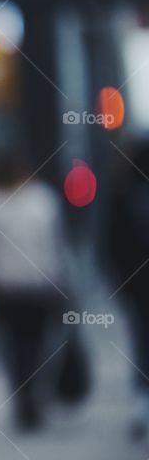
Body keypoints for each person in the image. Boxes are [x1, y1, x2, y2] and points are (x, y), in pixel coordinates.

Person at [0, 150, 70, 431]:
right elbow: (54, 248)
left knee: (13, 347)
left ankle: (24, 398)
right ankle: (32, 397)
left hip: (3, 291)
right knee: (35, 345)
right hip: (38, 287)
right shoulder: (42, 202)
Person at [106, 141, 149, 437]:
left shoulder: (122, 195)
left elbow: (110, 245)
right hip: (136, 286)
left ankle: (142, 403)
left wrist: (120, 284)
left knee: (142, 343)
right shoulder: (122, 196)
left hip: (138, 288)